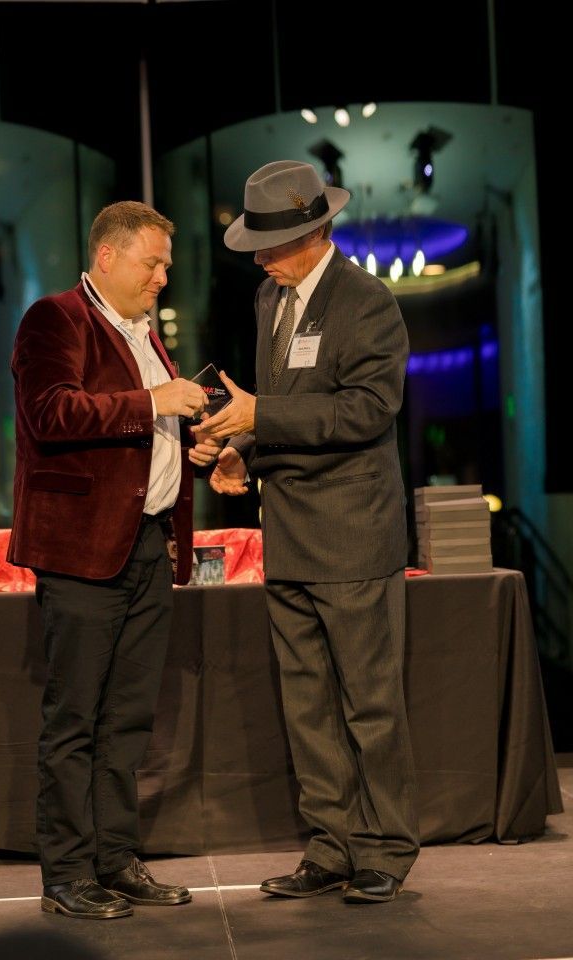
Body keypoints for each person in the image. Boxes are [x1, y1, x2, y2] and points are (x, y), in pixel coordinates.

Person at [190, 161, 420, 903]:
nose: (261, 256)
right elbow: (279, 402)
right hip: (288, 532)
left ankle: (386, 847)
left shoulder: (368, 303)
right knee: (309, 703)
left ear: (318, 232)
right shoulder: (268, 298)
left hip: (353, 536)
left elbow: (367, 411)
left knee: (369, 704)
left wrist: (260, 419)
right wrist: (239, 448)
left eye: (275, 240)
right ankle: (332, 845)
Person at [7, 200, 210, 919]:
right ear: (106, 258)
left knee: (127, 721)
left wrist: (193, 445)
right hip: (83, 554)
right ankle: (66, 874)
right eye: (151, 262)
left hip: (147, 548)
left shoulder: (146, 334)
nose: (162, 277)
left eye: (165, 265)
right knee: (75, 721)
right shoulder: (54, 319)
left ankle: (115, 859)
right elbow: (51, 412)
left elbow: (141, 440)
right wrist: (155, 399)